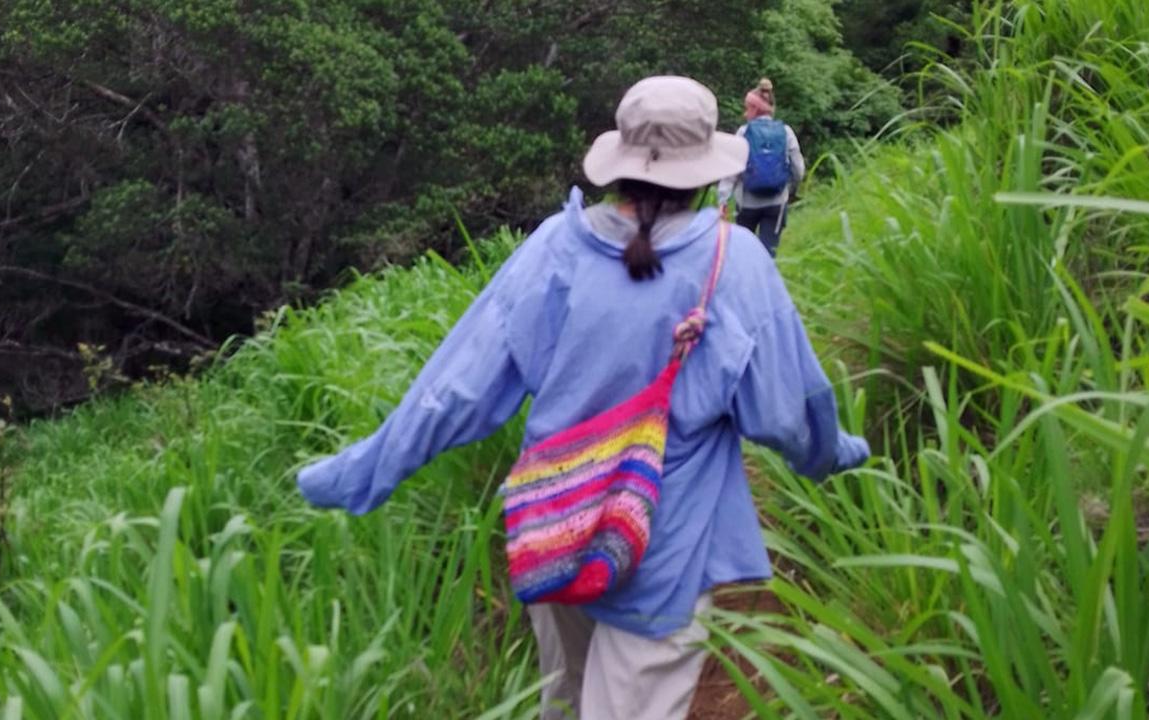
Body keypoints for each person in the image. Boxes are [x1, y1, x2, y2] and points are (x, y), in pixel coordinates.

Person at [296, 75, 869, 720]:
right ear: (706, 169)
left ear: (620, 162)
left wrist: (368, 468)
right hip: (662, 546)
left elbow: (456, 387)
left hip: (555, 520)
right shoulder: (733, 261)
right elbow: (785, 412)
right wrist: (831, 452)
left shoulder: (554, 245)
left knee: (565, 701)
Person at [718, 78, 805, 257]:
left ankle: (745, 283)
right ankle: (767, 282)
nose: (745, 113)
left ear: (756, 108)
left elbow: (732, 172)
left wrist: (723, 200)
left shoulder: (744, 132)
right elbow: (799, 169)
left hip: (747, 203)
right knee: (768, 253)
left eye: (747, 108)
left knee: (744, 254)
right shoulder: (786, 131)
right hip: (776, 202)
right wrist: (791, 188)